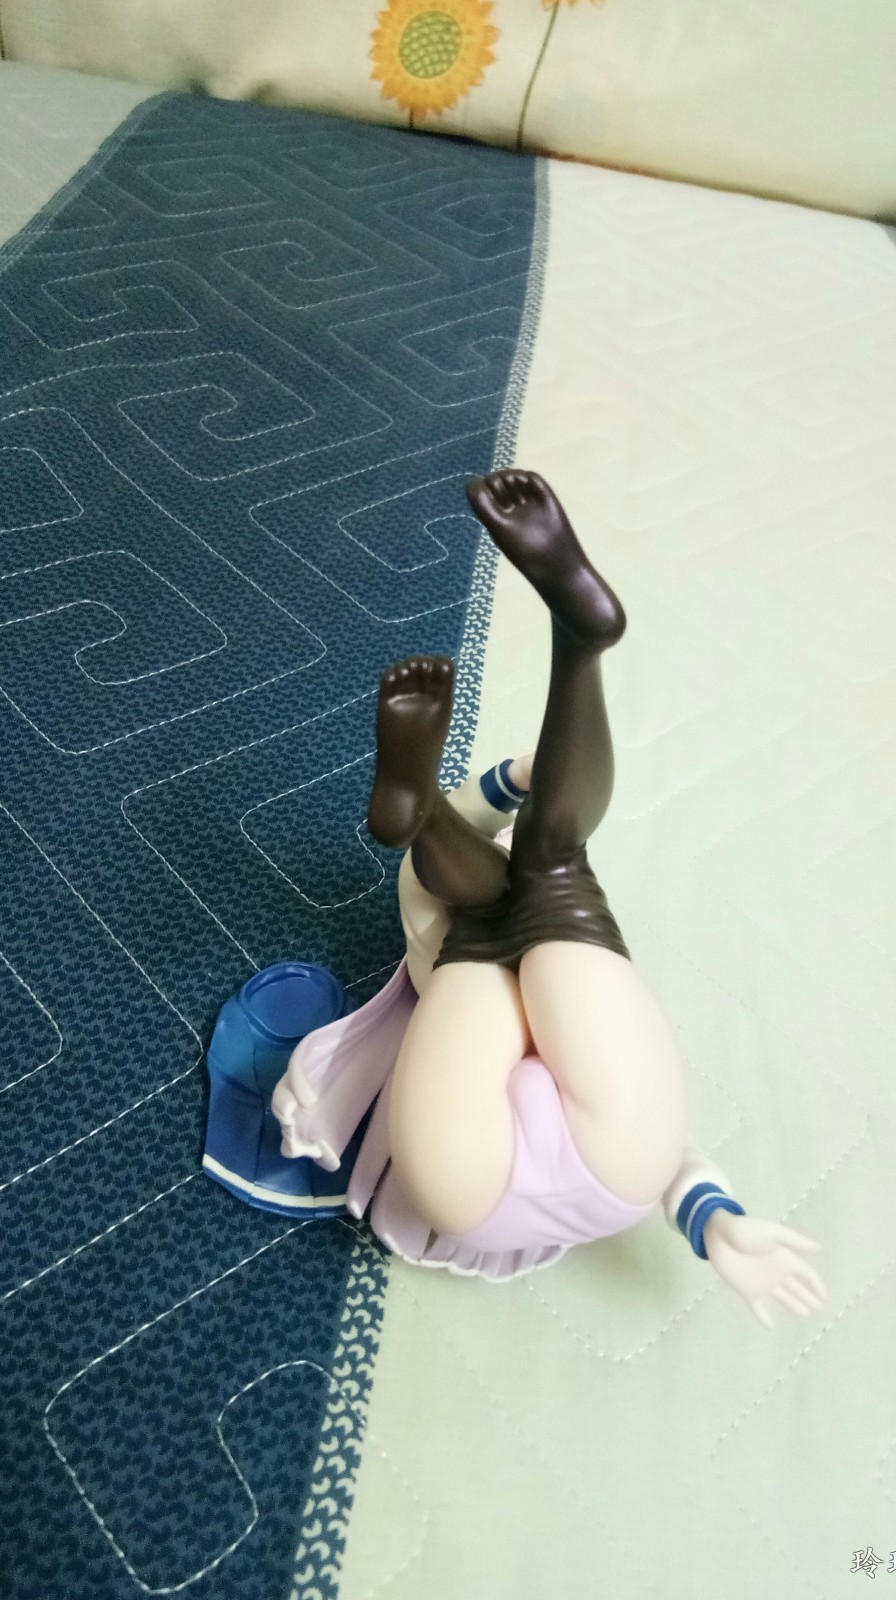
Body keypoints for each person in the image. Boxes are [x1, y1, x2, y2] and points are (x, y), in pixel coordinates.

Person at [359, 469, 827, 1323]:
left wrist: (501, 787)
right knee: (549, 871)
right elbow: (669, 1139)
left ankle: (421, 807)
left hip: (470, 1171)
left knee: (492, 897)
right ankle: (575, 651)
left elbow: (424, 877)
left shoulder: (446, 908)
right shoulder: (532, 934)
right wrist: (715, 1221)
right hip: (597, 1169)